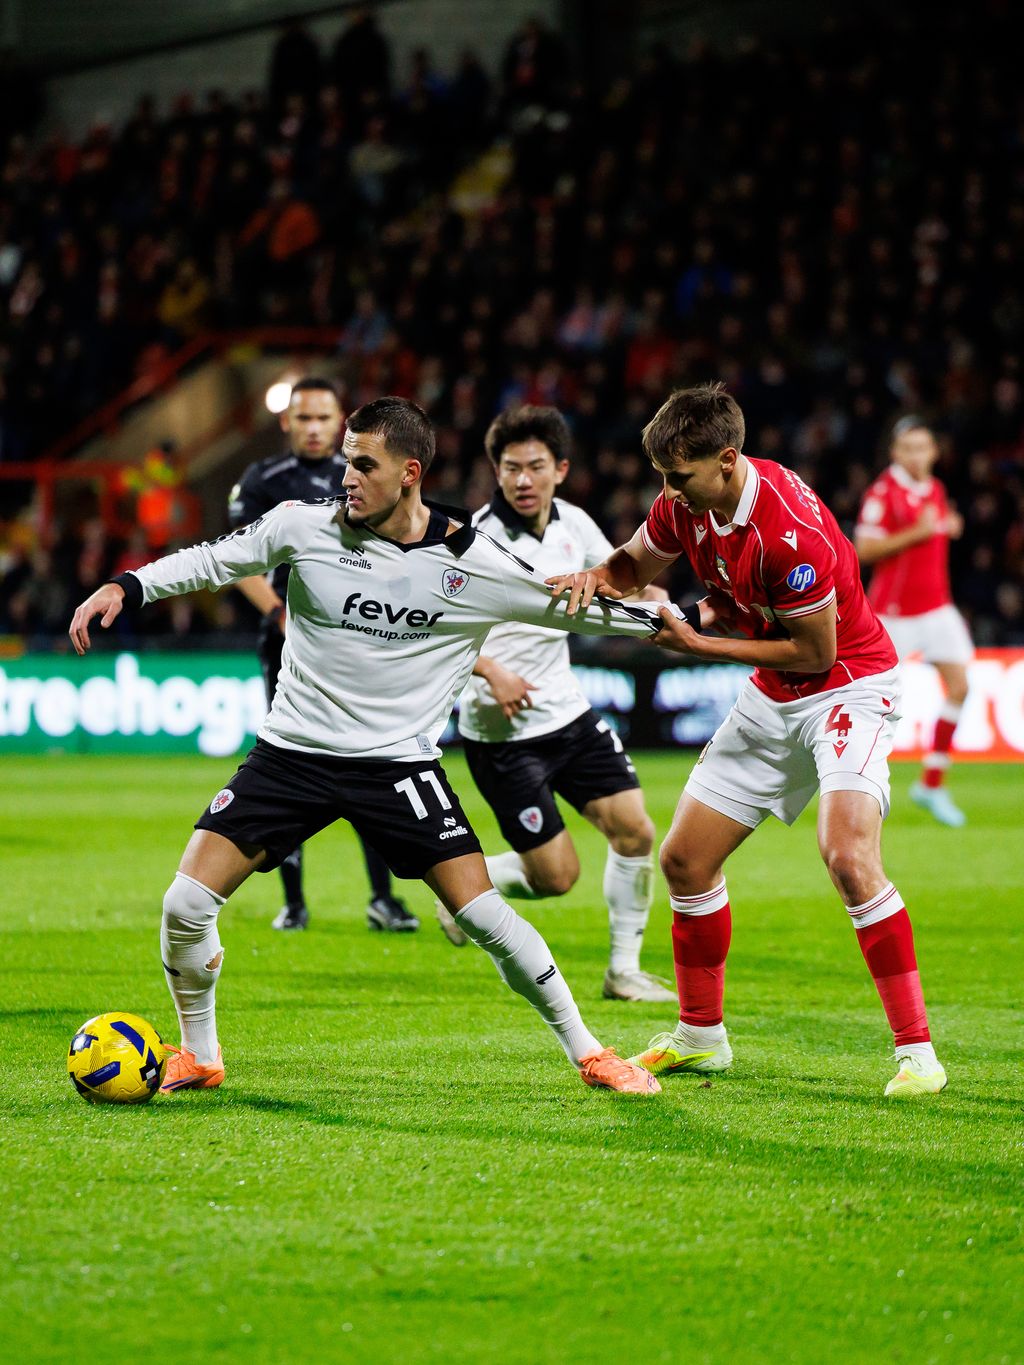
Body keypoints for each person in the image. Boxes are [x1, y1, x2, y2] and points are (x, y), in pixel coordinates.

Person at [69, 396, 669, 1097]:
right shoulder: (303, 526)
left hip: (397, 767)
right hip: (290, 757)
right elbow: (213, 560)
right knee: (184, 904)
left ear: (410, 473)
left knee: (484, 916)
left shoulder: (471, 560)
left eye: (363, 464)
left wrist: (676, 624)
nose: (346, 478)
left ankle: (591, 1053)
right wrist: (128, 585)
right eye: (346, 462)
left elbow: (574, 606)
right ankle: (200, 1054)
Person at [547, 383, 947, 1099]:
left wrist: (699, 642)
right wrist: (595, 579)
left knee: (848, 857)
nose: (668, 492)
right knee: (684, 860)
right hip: (774, 693)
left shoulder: (789, 533)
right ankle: (701, 1036)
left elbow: (815, 651)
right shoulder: (686, 501)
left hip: (848, 687)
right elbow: (632, 567)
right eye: (664, 477)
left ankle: (918, 1053)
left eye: (680, 476)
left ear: (726, 460)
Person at [441, 405, 675, 1007]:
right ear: (496, 472)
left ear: (560, 470)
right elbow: (437, 627)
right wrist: (492, 671)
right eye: (511, 468)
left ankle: (623, 972)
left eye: (536, 467)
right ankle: (467, 889)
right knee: (556, 877)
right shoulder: (471, 541)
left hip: (568, 716)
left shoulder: (574, 522)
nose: (524, 480)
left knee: (635, 831)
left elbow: (616, 578)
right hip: (502, 732)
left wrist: (652, 594)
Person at [227, 376, 418, 932]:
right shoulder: (263, 480)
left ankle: (383, 898)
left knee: (372, 755)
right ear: (286, 422)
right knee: (288, 756)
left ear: (341, 422)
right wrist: (279, 616)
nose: (313, 428)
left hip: (362, 638)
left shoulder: (366, 473)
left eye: (323, 417)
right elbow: (238, 559)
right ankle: (294, 901)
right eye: (304, 417)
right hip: (287, 641)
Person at [855, 417, 972, 827]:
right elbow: (864, 549)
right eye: (908, 448)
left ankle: (932, 785)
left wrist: (946, 526)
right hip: (893, 614)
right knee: (871, 704)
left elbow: (933, 531)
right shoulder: (882, 493)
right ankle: (854, 783)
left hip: (937, 608)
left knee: (960, 687)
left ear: (934, 451)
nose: (916, 456)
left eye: (923, 448)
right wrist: (918, 533)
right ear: (895, 452)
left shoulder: (935, 489)